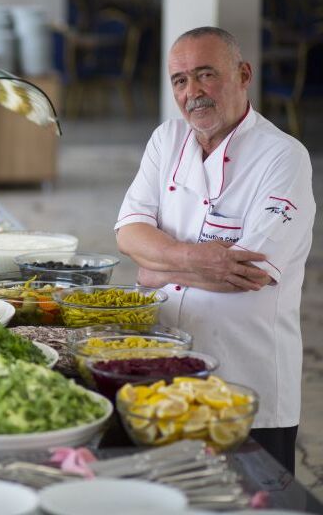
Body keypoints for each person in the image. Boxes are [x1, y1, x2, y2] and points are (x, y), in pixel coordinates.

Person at [116, 27, 315, 474]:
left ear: (243, 75)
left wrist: (155, 268)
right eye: (180, 80)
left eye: (206, 74)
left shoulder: (283, 157)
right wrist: (195, 259)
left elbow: (248, 273)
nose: (193, 92)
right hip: (167, 376)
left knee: (254, 498)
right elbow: (128, 233)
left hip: (247, 386)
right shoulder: (167, 139)